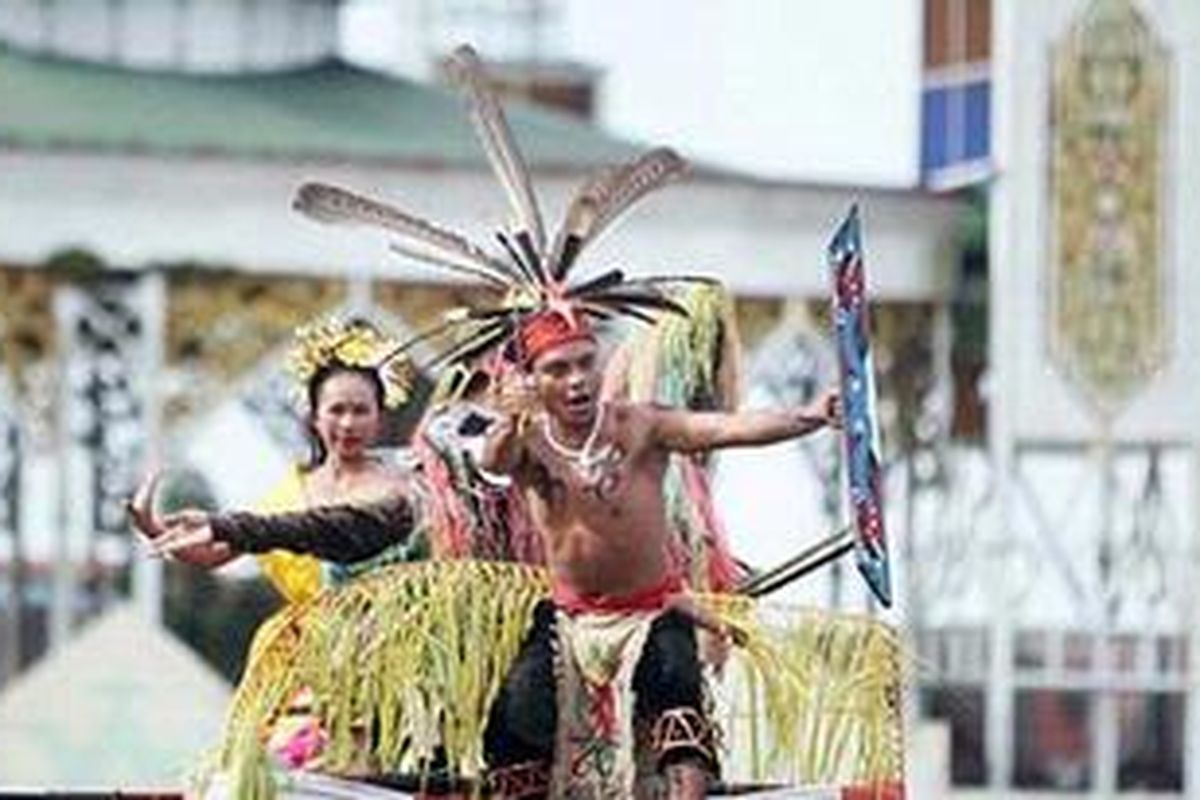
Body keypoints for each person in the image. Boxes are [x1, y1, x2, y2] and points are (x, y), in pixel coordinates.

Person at [474, 309, 841, 799]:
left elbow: (727, 429)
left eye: (586, 363)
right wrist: (507, 417)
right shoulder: (527, 443)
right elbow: (492, 462)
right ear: (533, 381)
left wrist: (811, 415)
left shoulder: (640, 425)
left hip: (653, 611)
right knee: (514, 721)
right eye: (558, 370)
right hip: (568, 619)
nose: (578, 381)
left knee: (680, 717)